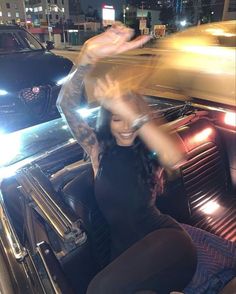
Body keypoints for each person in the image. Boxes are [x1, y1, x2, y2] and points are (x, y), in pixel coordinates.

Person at [57, 23, 197, 294]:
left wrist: (132, 112)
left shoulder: (150, 150)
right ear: (107, 121)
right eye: (117, 118)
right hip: (126, 259)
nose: (125, 127)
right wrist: (86, 57)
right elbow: (65, 105)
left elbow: (176, 157)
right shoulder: (98, 151)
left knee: (98, 290)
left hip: (168, 244)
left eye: (130, 118)